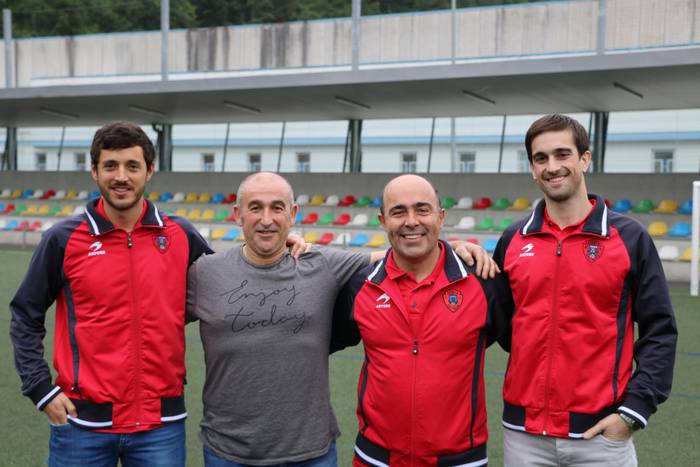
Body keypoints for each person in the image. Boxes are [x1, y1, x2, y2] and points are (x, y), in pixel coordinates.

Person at [186, 172, 496, 467]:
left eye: (277, 208)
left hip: (310, 452)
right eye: (256, 208)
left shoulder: (325, 265)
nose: (267, 219)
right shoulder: (204, 272)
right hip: (227, 451)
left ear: (292, 214)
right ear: (237, 214)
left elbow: (400, 251)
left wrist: (454, 248)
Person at [9, 121, 213, 467]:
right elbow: (25, 315)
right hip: (81, 424)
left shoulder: (180, 234)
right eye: (110, 166)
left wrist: (281, 246)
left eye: (132, 166)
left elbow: (232, 278)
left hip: (160, 425)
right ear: (94, 171)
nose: (121, 176)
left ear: (149, 171)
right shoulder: (63, 239)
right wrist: (41, 389)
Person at [492, 114, 678, 466]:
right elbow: (500, 326)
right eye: (541, 158)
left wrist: (633, 411)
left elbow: (660, 330)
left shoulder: (630, 238)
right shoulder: (513, 239)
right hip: (523, 434)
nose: (552, 167)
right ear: (532, 168)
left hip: (601, 434)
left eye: (563, 154)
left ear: (584, 159)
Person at [331, 174, 503, 467]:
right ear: (383, 221)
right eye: (398, 212)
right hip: (376, 458)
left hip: (460, 460)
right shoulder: (360, 286)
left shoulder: (483, 282)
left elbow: (532, 344)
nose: (411, 221)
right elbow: (316, 340)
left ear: (440, 217)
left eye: (422, 210)